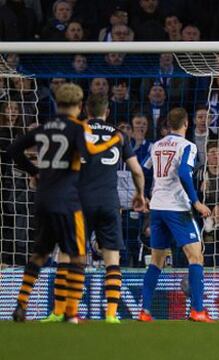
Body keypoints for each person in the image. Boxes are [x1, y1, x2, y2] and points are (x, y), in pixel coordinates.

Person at [7, 83, 122, 322]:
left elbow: (12, 150)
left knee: (40, 254)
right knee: (78, 256)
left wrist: (34, 171)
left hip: (42, 199)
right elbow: (90, 152)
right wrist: (114, 140)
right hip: (68, 201)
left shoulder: (44, 128)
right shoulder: (77, 128)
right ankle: (70, 313)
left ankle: (21, 305)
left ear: (57, 104)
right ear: (79, 106)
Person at [41, 94, 146, 324]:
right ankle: (110, 316)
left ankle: (60, 312)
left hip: (78, 202)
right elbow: (137, 171)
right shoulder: (119, 135)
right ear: (107, 111)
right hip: (109, 202)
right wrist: (140, 194)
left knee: (67, 257)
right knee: (112, 259)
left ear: (85, 110)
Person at [139, 107, 213, 323]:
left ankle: (144, 312)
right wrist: (196, 202)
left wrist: (143, 195)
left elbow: (143, 169)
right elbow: (183, 173)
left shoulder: (156, 145)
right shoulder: (187, 146)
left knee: (156, 261)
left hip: (157, 207)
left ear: (168, 125)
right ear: (186, 123)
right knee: (196, 256)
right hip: (177, 208)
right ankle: (198, 310)